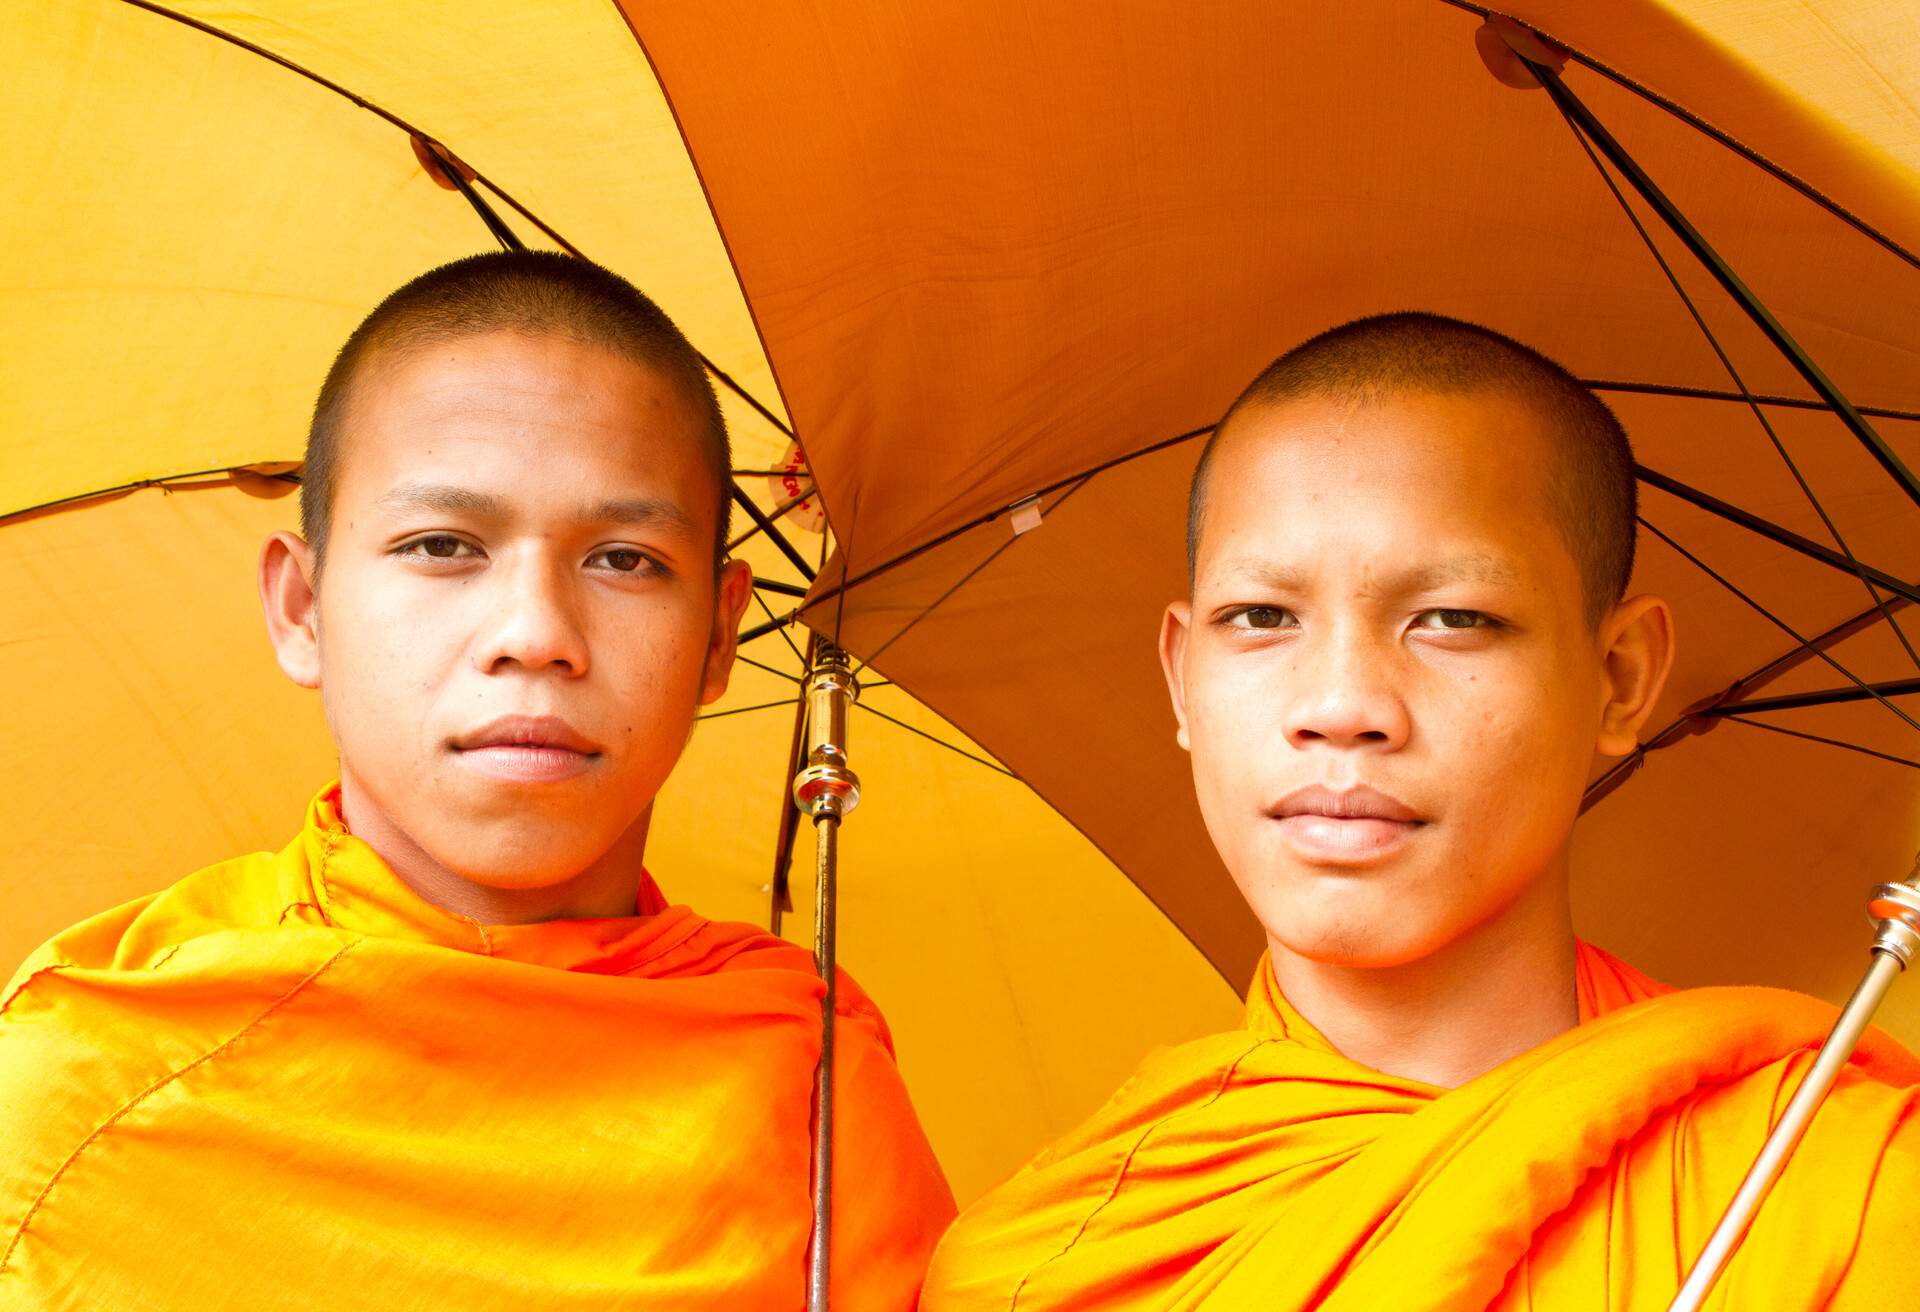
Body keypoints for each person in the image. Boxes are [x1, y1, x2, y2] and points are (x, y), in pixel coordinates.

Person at [0, 251, 954, 1310]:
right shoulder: (84, 1092)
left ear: (720, 634)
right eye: (444, 543)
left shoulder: (813, 1099)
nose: (536, 633)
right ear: (302, 608)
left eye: (625, 559)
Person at [919, 313, 1920, 1310]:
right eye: (1261, 618)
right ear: (1183, 680)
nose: (1341, 706)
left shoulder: (1837, 1183)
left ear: (1618, 678)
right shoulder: (1038, 1266)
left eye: (1453, 618)